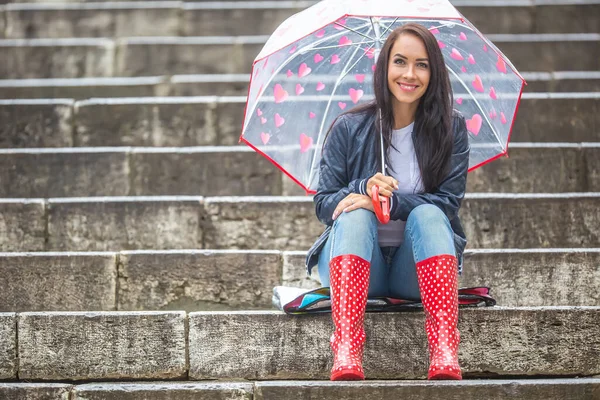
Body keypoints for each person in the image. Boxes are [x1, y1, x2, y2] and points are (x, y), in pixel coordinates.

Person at [305, 23, 470, 381]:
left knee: (429, 213)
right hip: (361, 269)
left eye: (421, 64)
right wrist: (363, 189)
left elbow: (448, 203)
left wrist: (391, 204)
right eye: (400, 62)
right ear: (385, 68)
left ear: (434, 71)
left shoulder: (451, 129)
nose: (410, 74)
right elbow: (323, 203)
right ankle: (347, 345)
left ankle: (444, 345)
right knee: (352, 215)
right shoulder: (348, 127)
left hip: (417, 270)